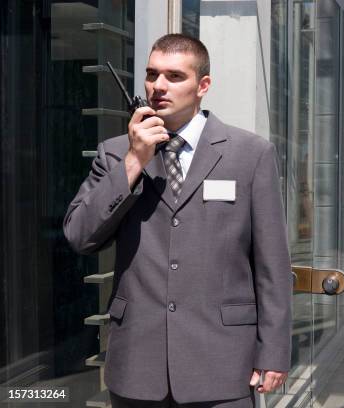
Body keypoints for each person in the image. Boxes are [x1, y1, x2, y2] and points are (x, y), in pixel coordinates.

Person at [63, 34, 292, 407]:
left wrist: (274, 350)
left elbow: (272, 266)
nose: (158, 87)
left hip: (224, 362)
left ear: (203, 85)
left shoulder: (250, 154)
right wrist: (134, 162)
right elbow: (79, 235)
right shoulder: (116, 153)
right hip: (138, 364)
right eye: (152, 75)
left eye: (174, 76)